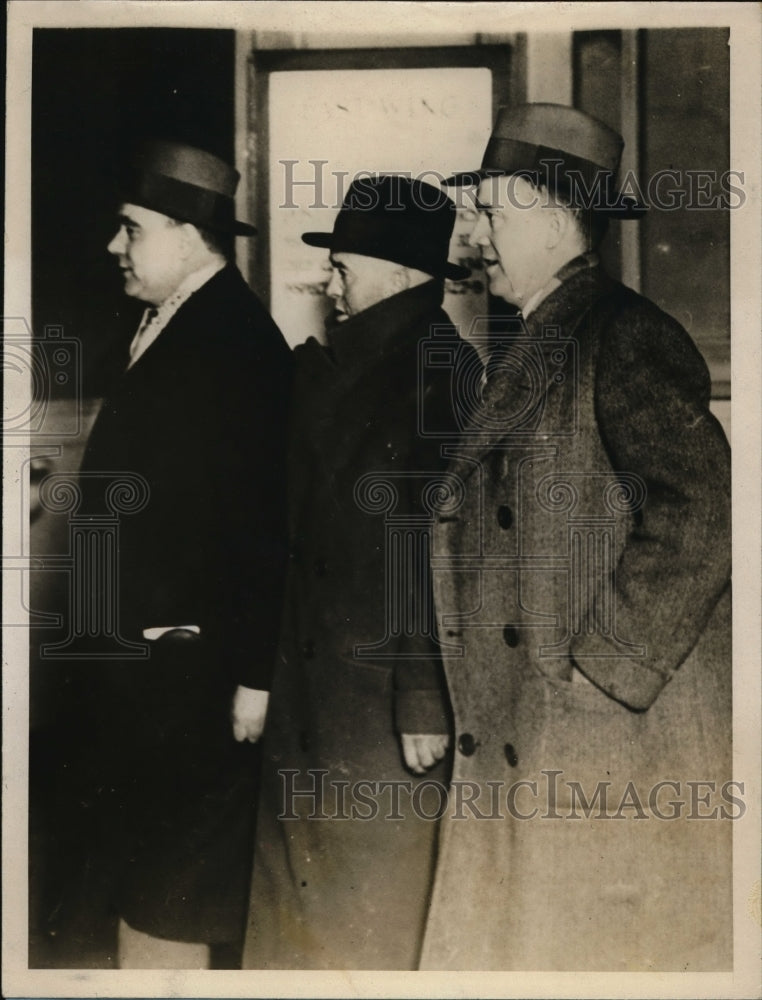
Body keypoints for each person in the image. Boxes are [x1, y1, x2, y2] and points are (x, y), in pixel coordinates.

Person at [418, 104, 733, 971]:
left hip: (601, 731)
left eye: (493, 211)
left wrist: (605, 669)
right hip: (544, 717)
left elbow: (707, 502)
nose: (475, 234)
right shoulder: (540, 335)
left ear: (556, 215)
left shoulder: (622, 334)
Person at [243, 175, 479, 970]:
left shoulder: (442, 372)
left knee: (367, 914)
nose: (329, 281)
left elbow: (439, 547)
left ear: (403, 273)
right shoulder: (326, 367)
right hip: (311, 679)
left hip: (381, 701)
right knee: (295, 912)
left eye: (344, 264)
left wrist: (420, 693)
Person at [74, 139, 292, 968]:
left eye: (130, 229)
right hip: (150, 678)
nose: (114, 248)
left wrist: (252, 675)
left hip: (191, 682)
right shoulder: (171, 322)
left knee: (173, 900)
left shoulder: (238, 346)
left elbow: (263, 528)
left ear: (187, 231)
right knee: (148, 885)